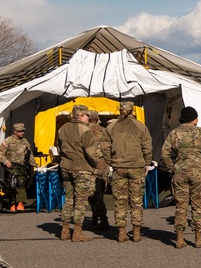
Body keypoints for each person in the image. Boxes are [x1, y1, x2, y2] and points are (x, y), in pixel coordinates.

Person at [162, 106, 201, 249]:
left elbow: (165, 152)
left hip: (180, 172)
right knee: (198, 205)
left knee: (181, 205)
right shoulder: (200, 132)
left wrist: (171, 167)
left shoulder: (175, 133)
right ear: (194, 119)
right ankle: (198, 238)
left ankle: (179, 238)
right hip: (198, 172)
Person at [101, 101, 153, 243]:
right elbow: (147, 147)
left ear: (120, 111)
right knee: (136, 201)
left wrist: (110, 160)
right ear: (133, 111)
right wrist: (147, 162)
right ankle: (136, 232)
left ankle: (121, 232)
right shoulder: (140, 127)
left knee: (120, 201)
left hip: (119, 167)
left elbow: (104, 145)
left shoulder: (111, 127)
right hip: (136, 166)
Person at [56, 105, 101, 242]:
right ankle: (77, 232)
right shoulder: (85, 130)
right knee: (80, 202)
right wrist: (96, 165)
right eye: (87, 115)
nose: (89, 118)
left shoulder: (62, 129)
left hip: (66, 168)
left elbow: (58, 148)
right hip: (81, 169)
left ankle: (64, 231)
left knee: (68, 200)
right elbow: (91, 153)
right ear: (80, 116)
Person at [0, 122, 34, 212]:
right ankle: (12, 203)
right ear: (15, 132)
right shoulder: (8, 141)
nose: (22, 133)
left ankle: (20, 203)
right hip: (11, 166)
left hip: (21, 166)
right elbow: (0, 153)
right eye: (20, 131)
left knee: (21, 183)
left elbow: (30, 154)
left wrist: (33, 164)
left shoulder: (25, 141)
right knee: (11, 185)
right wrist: (6, 161)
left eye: (23, 131)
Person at [85, 110, 110, 230]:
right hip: (103, 165)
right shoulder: (105, 131)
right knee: (100, 192)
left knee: (93, 194)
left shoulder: (85, 132)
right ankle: (96, 217)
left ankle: (103, 218)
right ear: (98, 118)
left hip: (91, 165)